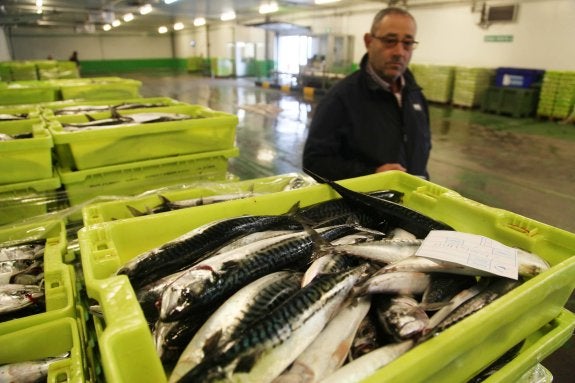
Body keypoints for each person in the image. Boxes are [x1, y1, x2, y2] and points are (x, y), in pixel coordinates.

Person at [302, 7, 431, 181]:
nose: (400, 52)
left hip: (409, 204)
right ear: (369, 42)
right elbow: (314, 162)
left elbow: (420, 154)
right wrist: (371, 175)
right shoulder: (341, 99)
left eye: (407, 43)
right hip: (364, 205)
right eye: (390, 40)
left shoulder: (415, 96)